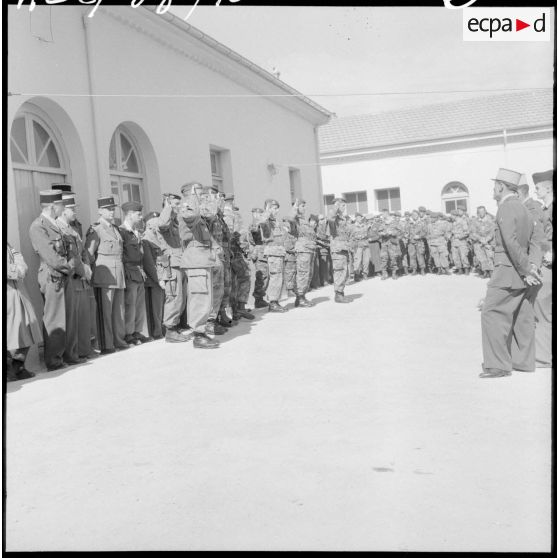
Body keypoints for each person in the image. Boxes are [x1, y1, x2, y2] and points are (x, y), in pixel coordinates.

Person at [480, 168, 542, 378]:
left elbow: (510, 242)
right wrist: (532, 267)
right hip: (522, 272)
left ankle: (498, 365)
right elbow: (535, 242)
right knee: (521, 316)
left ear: (501, 186)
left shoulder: (506, 207)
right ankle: (523, 362)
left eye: (495, 185)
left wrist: (526, 269)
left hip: (508, 271)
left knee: (492, 312)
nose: (493, 189)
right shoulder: (525, 209)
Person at [29, 190, 74, 371]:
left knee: (62, 317)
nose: (62, 209)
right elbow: (51, 256)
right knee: (54, 319)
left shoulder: (53, 225)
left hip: (60, 274)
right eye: (60, 206)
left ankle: (60, 356)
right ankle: (53, 361)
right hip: (52, 275)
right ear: (52, 206)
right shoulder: (38, 226)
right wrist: (69, 267)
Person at [178, 182, 220, 348]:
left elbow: (211, 214)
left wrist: (210, 201)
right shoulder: (187, 208)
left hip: (202, 259)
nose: (202, 196)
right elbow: (190, 216)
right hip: (195, 259)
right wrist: (192, 197)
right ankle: (198, 334)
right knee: (199, 297)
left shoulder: (198, 214)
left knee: (205, 298)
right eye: (200, 193)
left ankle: (201, 332)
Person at [85, 195, 129, 354]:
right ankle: (107, 344)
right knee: (106, 311)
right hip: (104, 274)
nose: (111, 212)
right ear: (99, 211)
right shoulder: (96, 229)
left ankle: (119, 340)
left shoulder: (115, 228)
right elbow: (89, 254)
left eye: (112, 209)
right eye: (108, 209)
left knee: (119, 310)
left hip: (119, 272)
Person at [56, 192, 91, 363]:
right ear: (63, 210)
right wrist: (83, 270)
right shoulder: (58, 228)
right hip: (72, 277)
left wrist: (87, 267)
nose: (75, 212)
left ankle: (83, 350)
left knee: (82, 317)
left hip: (81, 277)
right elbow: (68, 255)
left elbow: (81, 251)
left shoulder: (73, 229)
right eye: (72, 209)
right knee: (72, 319)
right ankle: (72, 354)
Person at [155, 192, 190, 342]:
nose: (178, 207)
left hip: (181, 262)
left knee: (181, 298)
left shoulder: (176, 222)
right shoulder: (164, 221)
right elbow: (162, 224)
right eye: (175, 204)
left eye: (178, 204)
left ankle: (175, 327)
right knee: (174, 297)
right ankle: (170, 330)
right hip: (171, 264)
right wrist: (168, 207)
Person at [7, 243, 41, 381]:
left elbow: (19, 258)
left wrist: (19, 268)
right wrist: (16, 270)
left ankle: (18, 367)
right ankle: (8, 370)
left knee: (29, 326)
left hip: (19, 290)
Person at [119, 201, 151, 346]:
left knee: (139, 305)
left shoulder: (136, 232)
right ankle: (128, 334)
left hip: (138, 271)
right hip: (129, 272)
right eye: (138, 214)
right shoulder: (122, 232)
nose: (141, 216)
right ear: (130, 214)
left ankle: (137, 331)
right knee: (130, 305)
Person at [532, 169, 554, 368]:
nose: (535, 190)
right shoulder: (547, 208)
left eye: (538, 187)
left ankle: (544, 358)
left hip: (550, 264)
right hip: (546, 261)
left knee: (542, 306)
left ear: (548, 188)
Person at [261, 198, 288, 312]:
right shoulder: (266, 220)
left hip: (279, 253)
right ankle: (273, 302)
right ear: (268, 209)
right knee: (275, 277)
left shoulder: (275, 221)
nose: (277, 211)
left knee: (278, 277)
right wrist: (266, 212)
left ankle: (275, 301)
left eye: (277, 208)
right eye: (274, 208)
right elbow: (261, 222)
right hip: (273, 253)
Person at [290, 199, 318, 307]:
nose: (304, 208)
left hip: (309, 250)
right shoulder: (295, 219)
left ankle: (301, 297)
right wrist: (295, 207)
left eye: (304, 206)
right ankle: (300, 297)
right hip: (303, 250)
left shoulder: (304, 221)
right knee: (303, 273)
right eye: (302, 206)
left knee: (308, 274)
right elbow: (290, 218)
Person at [142, 211, 165, 340]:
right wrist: (159, 279)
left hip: (161, 276)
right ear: (149, 224)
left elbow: (163, 257)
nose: (158, 224)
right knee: (154, 307)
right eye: (156, 222)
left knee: (161, 305)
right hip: (153, 279)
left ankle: (161, 329)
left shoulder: (158, 236)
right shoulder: (146, 238)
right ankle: (155, 332)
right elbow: (149, 263)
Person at [327, 197, 352, 302]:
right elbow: (330, 218)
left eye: (344, 205)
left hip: (344, 248)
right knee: (339, 271)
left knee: (345, 272)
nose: (344, 207)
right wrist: (335, 207)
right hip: (338, 249)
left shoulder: (343, 218)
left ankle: (341, 292)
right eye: (342, 205)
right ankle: (338, 294)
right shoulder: (334, 218)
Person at [248, 207, 269, 308]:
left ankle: (260, 298)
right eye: (258, 214)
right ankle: (258, 299)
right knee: (262, 276)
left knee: (265, 276)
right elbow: (255, 231)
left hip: (263, 251)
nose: (259, 216)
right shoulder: (254, 224)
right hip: (259, 252)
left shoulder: (260, 224)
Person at [469, 206, 495, 278]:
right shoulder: (474, 221)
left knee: (489, 257)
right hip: (479, 242)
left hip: (488, 242)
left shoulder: (490, 221)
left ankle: (491, 272)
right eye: (479, 212)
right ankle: (485, 272)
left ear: (485, 211)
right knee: (481, 258)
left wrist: (486, 239)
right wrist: (480, 239)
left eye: (483, 211)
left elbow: (492, 232)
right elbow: (473, 232)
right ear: (477, 213)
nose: (481, 213)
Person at [351, 212, 371, 282]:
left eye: (361, 217)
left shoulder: (365, 226)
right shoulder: (352, 227)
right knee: (357, 260)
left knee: (366, 260)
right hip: (357, 245)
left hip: (365, 244)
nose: (360, 219)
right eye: (359, 217)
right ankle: (356, 274)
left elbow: (369, 235)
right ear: (356, 218)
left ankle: (365, 273)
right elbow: (351, 237)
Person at [451, 207, 471, 275]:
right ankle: (459, 269)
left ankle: (466, 269)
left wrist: (459, 236)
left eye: (452, 215)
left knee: (463, 256)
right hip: (454, 242)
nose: (451, 217)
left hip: (461, 242)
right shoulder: (453, 223)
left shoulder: (463, 221)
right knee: (455, 256)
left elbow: (467, 232)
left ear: (455, 215)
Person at [407, 210, 427, 275]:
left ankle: (422, 269)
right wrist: (407, 236)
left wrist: (419, 236)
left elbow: (425, 232)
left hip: (419, 242)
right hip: (411, 242)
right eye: (413, 215)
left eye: (415, 215)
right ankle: (414, 270)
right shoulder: (409, 223)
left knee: (420, 256)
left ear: (418, 215)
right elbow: (405, 232)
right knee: (412, 256)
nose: (414, 216)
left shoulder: (422, 223)